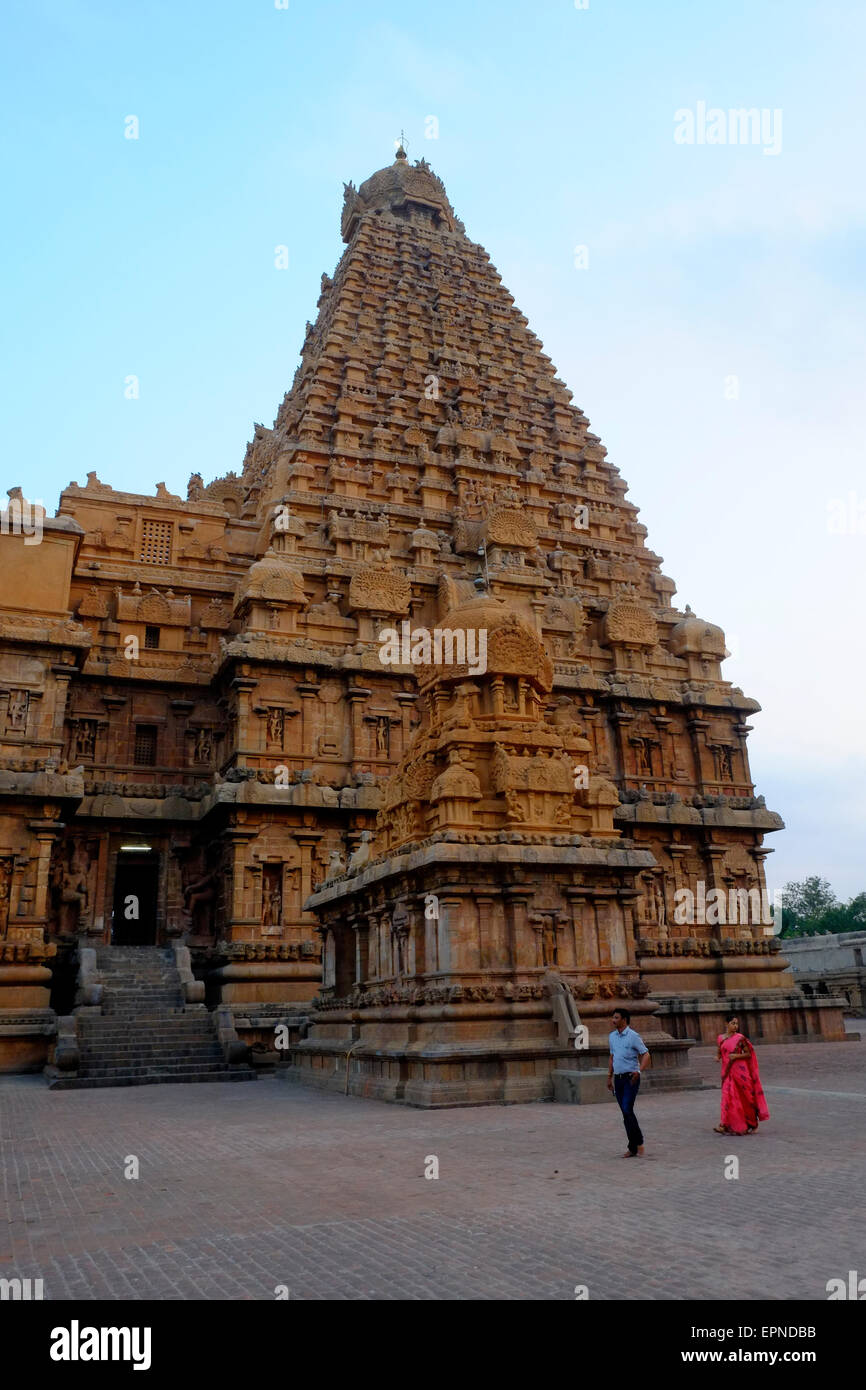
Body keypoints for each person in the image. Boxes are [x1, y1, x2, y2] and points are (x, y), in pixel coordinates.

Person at [714, 1014, 769, 1135]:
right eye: (733, 1023)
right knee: (727, 1097)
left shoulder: (740, 1038)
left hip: (741, 1071)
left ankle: (752, 1123)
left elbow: (748, 1054)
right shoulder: (721, 1038)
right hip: (727, 1072)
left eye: (736, 1024)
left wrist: (736, 1056)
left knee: (746, 1098)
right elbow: (720, 1051)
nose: (735, 1026)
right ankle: (724, 1124)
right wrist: (717, 1057)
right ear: (726, 1024)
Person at [607, 1008, 651, 1157]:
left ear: (624, 1019)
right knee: (626, 1113)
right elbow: (612, 1057)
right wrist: (609, 1076)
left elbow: (646, 1054)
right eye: (613, 1018)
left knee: (627, 1109)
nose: (613, 1020)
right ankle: (634, 1146)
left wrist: (639, 1071)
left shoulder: (633, 1036)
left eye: (616, 1018)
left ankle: (638, 1142)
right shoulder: (612, 1036)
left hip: (631, 1078)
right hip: (618, 1079)